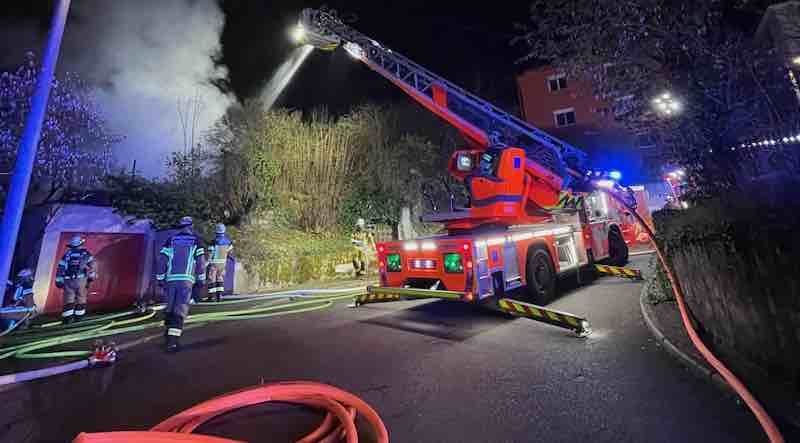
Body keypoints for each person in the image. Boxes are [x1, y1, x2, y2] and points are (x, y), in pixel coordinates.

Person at [156, 216, 206, 352]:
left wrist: (160, 278)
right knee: (180, 309)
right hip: (186, 280)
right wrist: (201, 281)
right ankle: (172, 342)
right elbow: (201, 263)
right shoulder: (196, 241)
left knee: (170, 308)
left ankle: (167, 336)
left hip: (170, 279)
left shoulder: (170, 240)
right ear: (191, 226)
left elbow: (162, 260)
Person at [55, 235, 96, 324]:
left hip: (68, 281)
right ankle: (79, 318)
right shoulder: (86, 254)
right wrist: (90, 279)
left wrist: (58, 281)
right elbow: (93, 267)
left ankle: (68, 319)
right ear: (81, 244)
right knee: (81, 298)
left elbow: (60, 268)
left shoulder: (67, 255)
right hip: (81, 280)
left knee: (68, 299)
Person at [206, 223, 233, 302]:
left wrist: (207, 262)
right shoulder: (228, 242)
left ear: (216, 231)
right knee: (220, 278)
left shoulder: (213, 242)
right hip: (222, 264)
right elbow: (230, 253)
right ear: (224, 231)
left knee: (212, 279)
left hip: (214, 263)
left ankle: (211, 297)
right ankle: (219, 296)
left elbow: (210, 253)